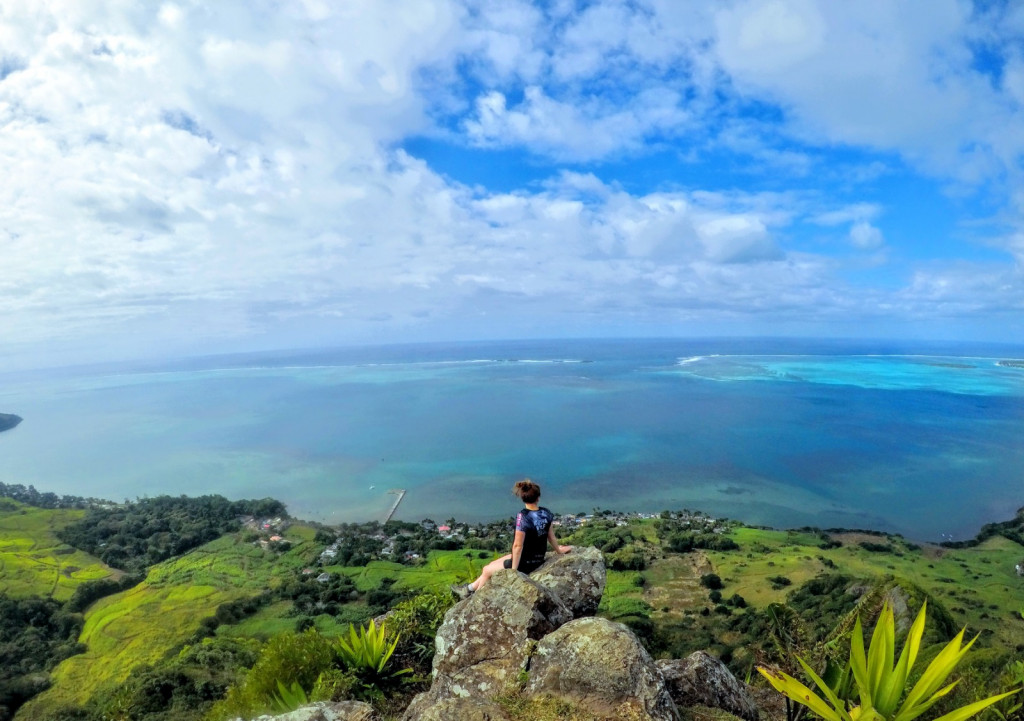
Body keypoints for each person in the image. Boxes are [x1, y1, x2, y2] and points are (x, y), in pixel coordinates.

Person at [452, 479, 571, 600]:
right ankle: (468, 589)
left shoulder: (523, 516)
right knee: (493, 564)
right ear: (538, 497)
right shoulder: (546, 513)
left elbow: (517, 546)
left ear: (523, 498)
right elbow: (550, 536)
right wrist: (559, 551)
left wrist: (514, 571)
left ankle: (474, 598)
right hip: (538, 558)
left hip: (524, 564)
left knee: (487, 570)